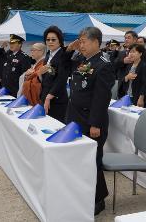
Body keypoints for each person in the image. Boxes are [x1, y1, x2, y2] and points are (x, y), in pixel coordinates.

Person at [65, 27, 115, 216]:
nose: (81, 44)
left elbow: (101, 98)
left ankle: (98, 199)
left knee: (93, 160)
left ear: (96, 42)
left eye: (84, 41)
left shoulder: (103, 64)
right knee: (81, 159)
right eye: (80, 40)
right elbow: (63, 65)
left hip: (92, 121)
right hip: (76, 117)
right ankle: (84, 193)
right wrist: (70, 49)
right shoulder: (82, 59)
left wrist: (95, 124)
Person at [38, 26, 72, 123]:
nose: (50, 42)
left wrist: (50, 95)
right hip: (45, 97)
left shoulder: (63, 55)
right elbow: (46, 79)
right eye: (48, 40)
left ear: (60, 41)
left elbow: (62, 78)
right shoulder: (48, 54)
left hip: (57, 100)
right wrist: (40, 74)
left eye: (53, 39)